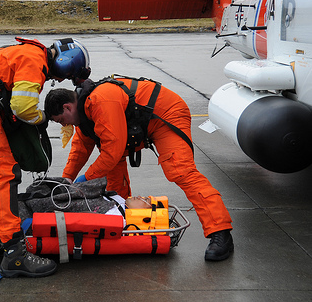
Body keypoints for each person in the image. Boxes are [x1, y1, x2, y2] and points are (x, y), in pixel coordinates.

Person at [43, 75, 234, 261]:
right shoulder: (84, 116)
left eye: (61, 120)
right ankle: (123, 225)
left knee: (181, 171)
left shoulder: (100, 101)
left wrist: (85, 179)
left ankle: (220, 231)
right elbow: (80, 149)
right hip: (136, 125)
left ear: (67, 107)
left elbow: (112, 152)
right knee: (114, 184)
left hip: (165, 114)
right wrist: (67, 179)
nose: (64, 125)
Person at [0, 37, 91, 278]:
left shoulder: (32, 56)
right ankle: (14, 254)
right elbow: (23, 107)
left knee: (5, 149)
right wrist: (42, 119)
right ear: (68, 62)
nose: (60, 80)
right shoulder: (35, 60)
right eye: (66, 75)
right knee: (5, 169)